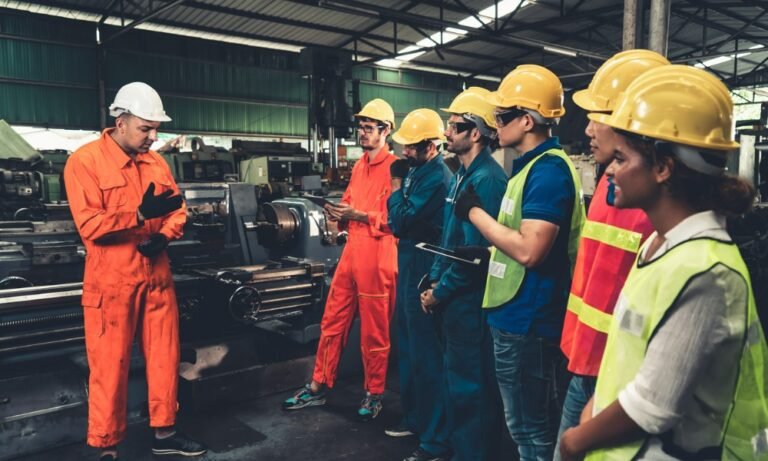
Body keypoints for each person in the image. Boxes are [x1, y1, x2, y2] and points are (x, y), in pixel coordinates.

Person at [558, 65, 768, 461]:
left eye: (621, 158)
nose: (611, 171)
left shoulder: (707, 272)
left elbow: (653, 407)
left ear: (662, 167)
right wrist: (593, 409)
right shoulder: (660, 244)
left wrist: (575, 441)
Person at [63, 82, 206, 460]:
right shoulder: (85, 162)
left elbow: (176, 207)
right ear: (121, 120)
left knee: (164, 356)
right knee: (110, 363)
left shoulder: (155, 162)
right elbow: (90, 225)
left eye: (156, 129)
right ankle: (107, 444)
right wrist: (139, 215)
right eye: (146, 128)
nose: (153, 137)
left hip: (156, 274)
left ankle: (165, 432)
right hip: (111, 280)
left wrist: (164, 235)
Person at [454, 65, 586, 461]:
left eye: (503, 116)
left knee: (530, 430)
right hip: (515, 315)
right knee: (525, 427)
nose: (496, 124)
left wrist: (475, 215)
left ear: (527, 120)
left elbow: (530, 250)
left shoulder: (547, 171)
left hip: (528, 321)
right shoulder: (528, 167)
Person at [554, 50, 668, 459]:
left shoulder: (658, 202)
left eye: (597, 115)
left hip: (621, 376)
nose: (587, 128)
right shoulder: (609, 180)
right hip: (587, 362)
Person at [283, 98, 399, 421]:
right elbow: (349, 203)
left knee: (374, 332)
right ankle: (318, 386)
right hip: (352, 254)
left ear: (385, 130)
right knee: (332, 321)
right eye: (360, 127)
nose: (362, 132)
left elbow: (398, 220)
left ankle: (374, 393)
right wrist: (337, 215)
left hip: (378, 256)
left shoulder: (396, 169)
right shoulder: (360, 165)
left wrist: (357, 214)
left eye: (368, 127)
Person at [420, 87, 508, 461]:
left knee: (471, 388)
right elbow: (448, 237)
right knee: (456, 383)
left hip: (469, 301)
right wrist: (434, 280)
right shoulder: (460, 175)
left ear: (475, 133)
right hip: (451, 297)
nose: (447, 132)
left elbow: (474, 257)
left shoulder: (487, 179)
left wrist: (443, 291)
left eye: (455, 125)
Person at [387, 108, 453, 461]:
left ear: (431, 146)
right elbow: (399, 220)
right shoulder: (418, 170)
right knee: (409, 351)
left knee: (428, 356)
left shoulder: (436, 177)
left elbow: (401, 220)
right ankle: (416, 420)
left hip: (425, 266)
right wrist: (400, 202)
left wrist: (396, 189)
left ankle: (435, 438)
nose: (404, 152)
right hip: (408, 263)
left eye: (412, 146)